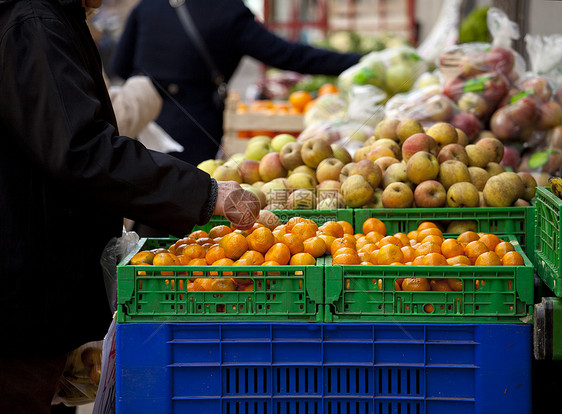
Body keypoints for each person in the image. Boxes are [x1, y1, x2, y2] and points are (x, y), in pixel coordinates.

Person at [0, 1, 259, 413]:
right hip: (21, 292)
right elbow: (82, 148)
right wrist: (205, 194)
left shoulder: (53, 16)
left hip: (34, 284)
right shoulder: (35, 20)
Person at [110, 0, 363, 166]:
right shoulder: (228, 11)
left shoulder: (148, 6)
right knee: (183, 206)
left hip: (143, 123)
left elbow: (119, 66)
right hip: (196, 128)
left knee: (146, 201)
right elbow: (290, 55)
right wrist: (359, 61)